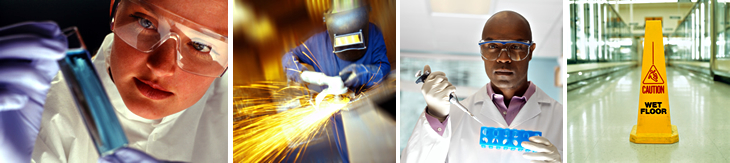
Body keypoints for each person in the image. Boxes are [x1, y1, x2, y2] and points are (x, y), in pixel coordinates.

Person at [25, 0, 228, 162]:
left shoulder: (243, 117)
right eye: (146, 23)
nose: (161, 67)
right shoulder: (37, 120)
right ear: (115, 9)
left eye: (201, 46)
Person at [401, 11, 563, 163]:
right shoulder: (452, 117)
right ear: (481, 50)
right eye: (492, 46)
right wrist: (435, 114)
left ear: (530, 51)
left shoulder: (561, 117)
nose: (504, 58)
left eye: (515, 46)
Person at [282, 0, 390, 94]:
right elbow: (289, 56)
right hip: (336, 114)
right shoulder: (317, 43)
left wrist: (365, 73)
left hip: (368, 107)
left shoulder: (372, 32)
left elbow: (383, 68)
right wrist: (301, 74)